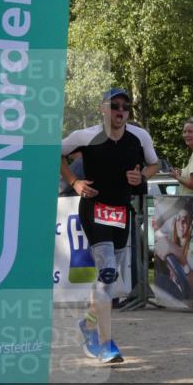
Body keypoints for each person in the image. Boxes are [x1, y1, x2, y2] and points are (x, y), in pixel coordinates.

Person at [61, 88, 160, 363]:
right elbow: (56, 153)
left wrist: (140, 177)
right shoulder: (85, 136)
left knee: (109, 280)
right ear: (103, 108)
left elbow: (154, 164)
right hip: (93, 208)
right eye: (114, 105)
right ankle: (105, 345)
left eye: (125, 107)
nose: (120, 111)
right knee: (106, 273)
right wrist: (74, 182)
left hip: (121, 212)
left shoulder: (139, 137)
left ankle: (89, 324)